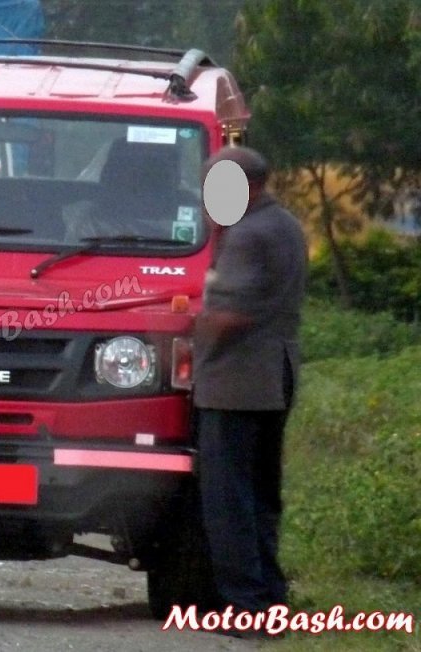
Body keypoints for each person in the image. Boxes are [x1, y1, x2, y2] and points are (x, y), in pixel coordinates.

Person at [192, 146, 308, 617]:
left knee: (228, 500)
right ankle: (269, 599)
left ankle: (244, 605)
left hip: (236, 383)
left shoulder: (247, 235)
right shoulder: (285, 225)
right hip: (273, 377)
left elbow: (230, 315)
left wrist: (183, 332)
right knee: (260, 495)